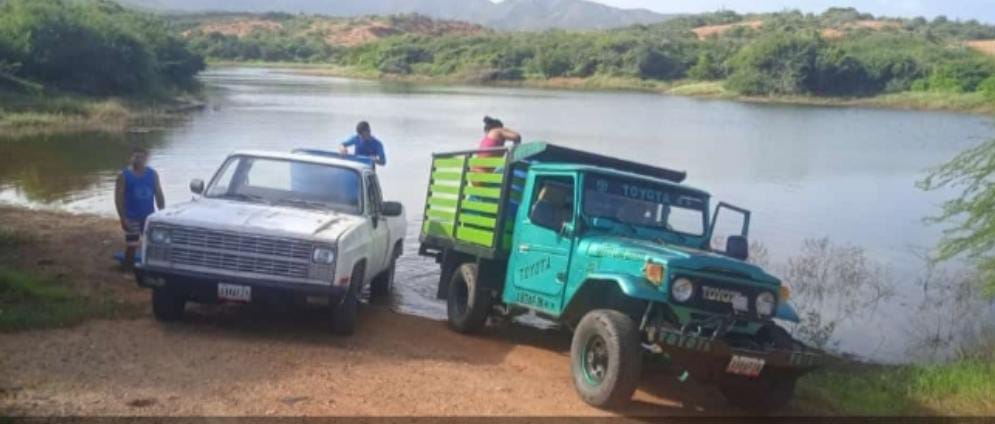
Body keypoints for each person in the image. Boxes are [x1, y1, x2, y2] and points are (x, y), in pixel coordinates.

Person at [114, 147, 165, 269]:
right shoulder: (123, 175)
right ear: (131, 158)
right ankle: (127, 268)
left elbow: (159, 193)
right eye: (136, 157)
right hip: (131, 217)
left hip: (149, 216)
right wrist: (122, 218)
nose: (138, 160)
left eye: (141, 157)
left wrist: (162, 213)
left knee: (154, 244)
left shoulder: (153, 174)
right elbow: (118, 198)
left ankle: (153, 268)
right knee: (132, 245)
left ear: (146, 159)